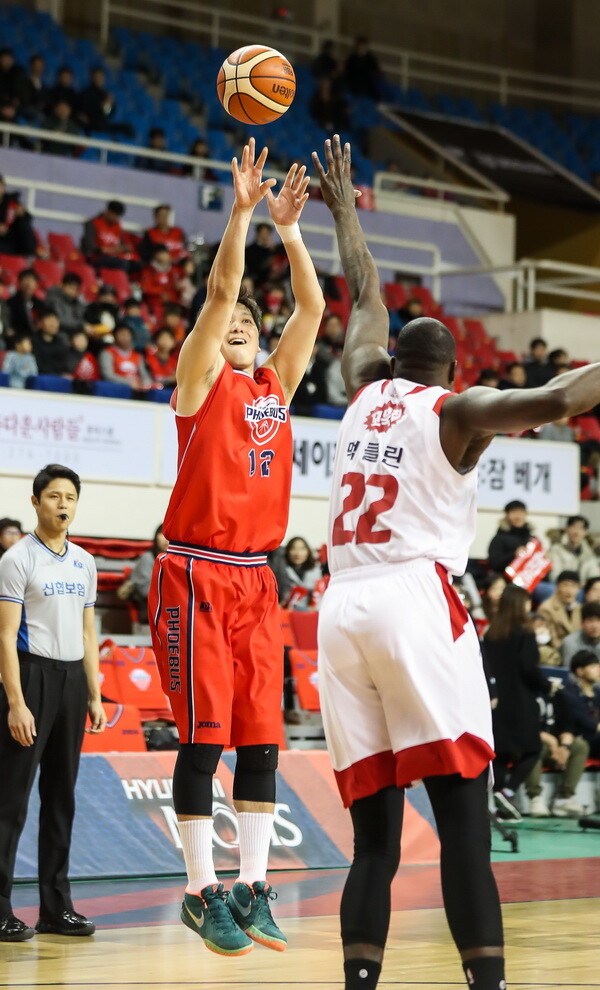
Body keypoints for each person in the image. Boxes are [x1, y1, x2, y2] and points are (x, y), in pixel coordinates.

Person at [311, 133, 600, 990]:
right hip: (411, 596)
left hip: (341, 609)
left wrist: (345, 214)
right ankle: (488, 983)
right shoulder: (456, 410)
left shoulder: (362, 384)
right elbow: (558, 397)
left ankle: (360, 981)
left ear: (391, 358)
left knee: (373, 843)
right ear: (452, 370)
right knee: (464, 824)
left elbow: (365, 291)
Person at [148, 138, 323, 956]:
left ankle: (252, 886)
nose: (244, 326)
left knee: (261, 743)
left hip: (257, 581)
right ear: (213, 338)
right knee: (204, 739)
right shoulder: (198, 382)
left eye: (253, 323)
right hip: (195, 573)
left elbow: (311, 311)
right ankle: (199, 890)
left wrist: (291, 231)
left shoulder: (275, 388)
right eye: (233, 325)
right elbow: (223, 291)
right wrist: (245, 213)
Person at [0, 464, 106, 941]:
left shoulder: (84, 561)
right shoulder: (17, 559)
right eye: (54, 496)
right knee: (11, 800)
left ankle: (55, 908)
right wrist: (16, 702)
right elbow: (5, 636)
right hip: (31, 676)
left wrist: (94, 694)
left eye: (70, 497)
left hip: (71, 682)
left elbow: (88, 633)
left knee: (61, 797)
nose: (63, 505)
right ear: (35, 502)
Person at [482, 585, 549, 821]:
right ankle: (508, 792)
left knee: (500, 753)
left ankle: (502, 803)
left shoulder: (491, 632)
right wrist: (546, 685)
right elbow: (528, 668)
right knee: (534, 749)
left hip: (496, 700)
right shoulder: (525, 632)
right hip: (521, 700)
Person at [524, 683, 589, 818]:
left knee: (580, 746)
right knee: (535, 746)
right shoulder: (527, 694)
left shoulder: (559, 696)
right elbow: (525, 726)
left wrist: (565, 747)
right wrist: (552, 742)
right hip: (535, 742)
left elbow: (568, 725)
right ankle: (535, 797)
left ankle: (564, 799)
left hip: (556, 747)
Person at [118, 525, 168, 618]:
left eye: (168, 535)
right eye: (162, 534)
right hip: (149, 609)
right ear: (156, 537)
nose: (166, 539)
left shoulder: (177, 560)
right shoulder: (148, 558)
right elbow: (145, 591)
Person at [561, 650, 600, 760]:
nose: (598, 669)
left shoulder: (598, 693)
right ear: (580, 671)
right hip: (582, 739)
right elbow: (584, 721)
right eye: (593, 666)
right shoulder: (570, 694)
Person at [270, 536, 323, 608]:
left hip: (311, 611)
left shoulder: (316, 570)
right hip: (286, 611)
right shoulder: (281, 570)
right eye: (293, 548)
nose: (298, 553)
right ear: (287, 551)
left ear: (308, 551)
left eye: (302, 549)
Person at [547, 514, 600, 585]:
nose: (576, 532)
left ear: (586, 532)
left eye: (581, 528)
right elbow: (555, 575)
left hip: (583, 588)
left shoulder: (589, 553)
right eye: (573, 527)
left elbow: (594, 577)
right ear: (566, 529)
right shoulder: (556, 550)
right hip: (561, 586)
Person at [99, 323, 151, 389]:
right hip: (115, 388)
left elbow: (144, 374)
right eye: (121, 334)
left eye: (127, 334)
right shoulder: (107, 353)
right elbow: (108, 375)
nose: (124, 337)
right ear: (114, 336)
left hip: (136, 389)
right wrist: (129, 383)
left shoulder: (137, 355)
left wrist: (146, 384)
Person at [538, 571, 582, 648]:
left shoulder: (580, 608)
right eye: (565, 585)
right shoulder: (546, 608)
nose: (569, 591)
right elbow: (552, 641)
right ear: (557, 587)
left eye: (574, 586)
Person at [487, 500, 532, 574]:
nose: (518, 517)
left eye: (521, 513)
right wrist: (514, 554)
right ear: (506, 515)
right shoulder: (499, 539)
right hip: (505, 577)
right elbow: (494, 564)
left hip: (529, 577)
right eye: (514, 512)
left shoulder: (532, 539)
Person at [0, 178, 37, 258]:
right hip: (2, 243)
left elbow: (28, 218)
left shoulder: (11, 202)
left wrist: (22, 213)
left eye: (1, 186)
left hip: (12, 240)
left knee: (24, 224)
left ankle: (30, 257)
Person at [31, 308, 70, 377]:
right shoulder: (32, 342)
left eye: (55, 320)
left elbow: (64, 366)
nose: (53, 324)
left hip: (57, 378)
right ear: (39, 322)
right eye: (49, 320)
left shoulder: (61, 343)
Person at [560, 601, 600, 666]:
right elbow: (569, 670)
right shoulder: (570, 642)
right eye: (590, 620)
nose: (595, 626)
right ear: (582, 623)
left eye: (598, 620)